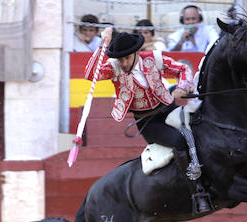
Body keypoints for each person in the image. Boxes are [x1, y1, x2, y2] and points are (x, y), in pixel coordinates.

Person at [85, 27, 200, 179]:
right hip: (148, 122)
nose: (124, 63)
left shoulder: (153, 59)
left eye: (127, 58)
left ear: (137, 53)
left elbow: (183, 69)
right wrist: (102, 44)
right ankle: (193, 180)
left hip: (168, 109)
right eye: (120, 58)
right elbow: (90, 74)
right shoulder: (114, 67)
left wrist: (182, 87)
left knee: (200, 129)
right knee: (178, 140)